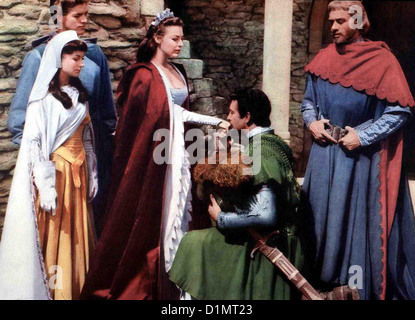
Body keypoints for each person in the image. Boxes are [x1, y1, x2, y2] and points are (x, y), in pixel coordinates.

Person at [80, 9, 229, 300]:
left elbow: (178, 112)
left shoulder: (178, 71)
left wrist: (214, 122)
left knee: (179, 206)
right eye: (174, 39)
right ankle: (155, 276)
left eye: (182, 39)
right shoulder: (143, 75)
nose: (179, 45)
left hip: (175, 152)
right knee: (156, 212)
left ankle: (177, 275)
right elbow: (137, 125)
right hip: (152, 158)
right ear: (158, 38)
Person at [301, 1, 415, 300]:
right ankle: (318, 288)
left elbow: (399, 110)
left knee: (352, 226)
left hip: (359, 162)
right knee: (318, 222)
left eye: (340, 21)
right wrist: (312, 123)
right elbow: (308, 102)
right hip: (324, 157)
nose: (334, 27)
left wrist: (362, 136)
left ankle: (351, 290)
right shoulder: (323, 57)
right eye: (331, 21)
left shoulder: (382, 61)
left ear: (358, 22)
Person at [169, 89, 305, 300]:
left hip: (270, 243)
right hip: (271, 235)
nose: (228, 117)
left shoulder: (262, 152)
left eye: (232, 112)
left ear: (247, 117)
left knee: (192, 245)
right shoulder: (272, 143)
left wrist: (222, 218)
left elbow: (267, 215)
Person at [0, 31, 97, 300]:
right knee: (59, 233)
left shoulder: (80, 95)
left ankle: (78, 288)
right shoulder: (43, 101)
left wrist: (93, 172)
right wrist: (46, 186)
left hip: (78, 173)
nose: (81, 64)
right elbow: (33, 145)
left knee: (79, 234)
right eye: (75, 58)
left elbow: (87, 138)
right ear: (59, 59)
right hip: (58, 176)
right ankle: (56, 290)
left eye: (82, 59)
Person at [7, 0, 116, 236]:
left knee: (88, 227)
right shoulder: (38, 58)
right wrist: (39, 164)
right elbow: (20, 122)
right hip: (52, 162)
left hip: (89, 155)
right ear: (58, 17)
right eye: (78, 15)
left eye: (87, 14)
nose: (85, 21)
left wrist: (100, 155)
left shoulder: (94, 56)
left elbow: (105, 111)